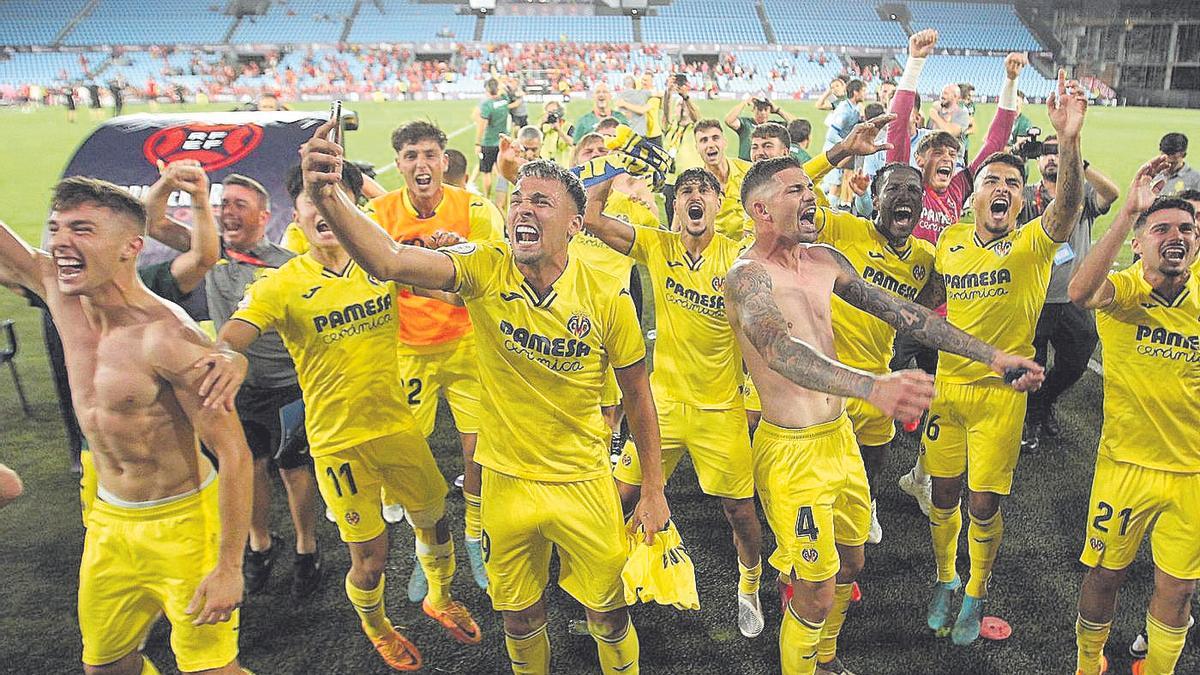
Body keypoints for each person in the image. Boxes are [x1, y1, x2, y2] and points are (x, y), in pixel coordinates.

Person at [302, 122, 670, 674]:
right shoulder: (485, 267)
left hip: (584, 483)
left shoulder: (608, 299)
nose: (522, 208)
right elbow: (389, 261)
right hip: (505, 484)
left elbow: (639, 399)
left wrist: (653, 490)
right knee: (519, 621)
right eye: (518, 199)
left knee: (609, 616)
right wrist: (327, 195)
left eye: (540, 202)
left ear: (574, 224)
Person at [725, 156, 1039, 675]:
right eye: (796, 191)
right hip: (789, 454)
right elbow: (779, 350)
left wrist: (991, 355)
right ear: (761, 209)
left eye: (811, 188)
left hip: (839, 440)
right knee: (816, 592)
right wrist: (872, 386)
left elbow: (905, 312)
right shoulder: (747, 277)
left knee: (851, 564)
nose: (811, 197)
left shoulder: (825, 259)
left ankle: (824, 661)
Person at [211, 163, 482, 672]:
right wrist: (225, 359)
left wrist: (457, 261)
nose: (322, 209)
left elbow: (449, 293)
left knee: (435, 521)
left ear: (354, 209)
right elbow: (235, 335)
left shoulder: (379, 262)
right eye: (313, 199)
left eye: (334, 197)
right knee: (371, 558)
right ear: (298, 213)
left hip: (398, 428)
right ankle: (377, 626)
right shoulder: (282, 283)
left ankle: (439, 597)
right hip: (339, 444)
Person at [0, 178, 253, 674]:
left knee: (211, 669)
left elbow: (235, 454)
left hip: (184, 526)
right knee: (107, 666)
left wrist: (229, 567)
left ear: (130, 247)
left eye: (81, 230)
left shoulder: (168, 338)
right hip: (108, 521)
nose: (59, 243)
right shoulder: (58, 289)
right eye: (55, 229)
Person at [919, 71, 1088, 646]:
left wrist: (1068, 142)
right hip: (947, 388)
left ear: (1022, 198)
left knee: (982, 502)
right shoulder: (950, 243)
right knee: (942, 496)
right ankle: (946, 578)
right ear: (974, 196)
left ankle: (975, 589)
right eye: (991, 179)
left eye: (1012, 184)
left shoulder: (1036, 242)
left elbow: (1067, 211)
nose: (1002, 188)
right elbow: (935, 304)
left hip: (1001, 399)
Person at [585, 166, 766, 639]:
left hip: (719, 411)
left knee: (739, 511)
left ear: (718, 202)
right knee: (616, 497)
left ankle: (750, 581)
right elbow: (590, 216)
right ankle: (608, 580)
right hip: (661, 407)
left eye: (704, 190)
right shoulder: (657, 245)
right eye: (686, 190)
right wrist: (615, 169)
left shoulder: (738, 259)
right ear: (675, 205)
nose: (695, 196)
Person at [1067, 161, 1199, 675]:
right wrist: (1128, 212)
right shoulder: (1124, 292)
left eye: (1186, 229)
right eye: (1161, 228)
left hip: (1191, 473)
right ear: (1139, 243)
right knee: (1103, 575)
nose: (1176, 236)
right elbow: (1079, 292)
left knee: (1179, 587)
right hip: (1125, 467)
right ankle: (1087, 663)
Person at [886, 31, 1023, 514]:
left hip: (943, 319)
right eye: (936, 153)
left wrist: (1009, 82)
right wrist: (914, 65)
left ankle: (920, 475)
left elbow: (994, 146)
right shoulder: (903, 189)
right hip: (897, 311)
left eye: (952, 155)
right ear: (918, 161)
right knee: (894, 400)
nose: (947, 159)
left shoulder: (959, 191)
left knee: (934, 404)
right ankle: (878, 476)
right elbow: (898, 128)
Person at [365, 120, 504, 593]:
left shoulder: (475, 208)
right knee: (412, 454)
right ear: (399, 163)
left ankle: (474, 538)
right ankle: (428, 548)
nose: (421, 164)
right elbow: (367, 277)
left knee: (476, 449)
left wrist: (412, 278)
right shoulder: (379, 212)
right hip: (408, 350)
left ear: (445, 161)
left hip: (468, 346)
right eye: (411, 156)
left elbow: (489, 280)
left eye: (430, 154)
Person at [206, 173, 323, 598]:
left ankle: (307, 548)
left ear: (263, 215)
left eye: (240, 204)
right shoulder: (208, 257)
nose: (229, 211)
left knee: (294, 468)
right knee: (248, 466)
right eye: (224, 203)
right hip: (240, 391)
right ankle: (260, 545)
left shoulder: (285, 265)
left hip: (289, 387)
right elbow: (160, 228)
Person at [1018, 136, 1119, 450]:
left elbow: (1112, 193)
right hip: (1034, 297)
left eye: (1058, 153)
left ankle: (1045, 401)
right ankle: (1033, 417)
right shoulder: (1023, 195)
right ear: (1038, 161)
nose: (1052, 158)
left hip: (1074, 296)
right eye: (1047, 153)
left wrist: (1078, 163)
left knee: (1075, 361)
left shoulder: (1083, 194)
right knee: (1031, 363)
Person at [694, 118, 753, 240]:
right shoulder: (694, 185)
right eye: (704, 140)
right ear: (697, 148)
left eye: (715, 138)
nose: (710, 144)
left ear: (724, 142)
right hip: (715, 252)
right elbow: (679, 226)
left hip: (750, 250)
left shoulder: (749, 171)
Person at [662, 74, 702, 229]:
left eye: (684, 107)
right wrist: (668, 93)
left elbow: (696, 116)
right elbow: (665, 112)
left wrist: (685, 98)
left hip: (690, 181)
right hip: (671, 181)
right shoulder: (671, 127)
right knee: (670, 218)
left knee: (689, 221)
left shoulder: (696, 129)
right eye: (679, 106)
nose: (682, 109)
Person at [475, 78, 522, 199]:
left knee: (486, 172)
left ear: (487, 89)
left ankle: (487, 197)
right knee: (502, 173)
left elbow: (482, 125)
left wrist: (478, 143)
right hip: (502, 142)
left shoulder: (487, 104)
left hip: (488, 142)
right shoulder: (504, 99)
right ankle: (503, 199)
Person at [726, 94, 797, 161]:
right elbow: (729, 120)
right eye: (760, 109)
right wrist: (744, 103)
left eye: (766, 109)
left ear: (770, 110)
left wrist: (778, 110)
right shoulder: (746, 123)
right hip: (746, 163)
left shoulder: (775, 127)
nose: (763, 113)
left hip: (767, 163)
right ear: (753, 109)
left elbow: (797, 125)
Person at [615, 75, 653, 139]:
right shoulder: (643, 93)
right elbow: (660, 94)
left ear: (624, 84)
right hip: (640, 132)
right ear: (634, 84)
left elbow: (618, 113)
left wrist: (625, 104)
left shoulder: (620, 97)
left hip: (626, 133)